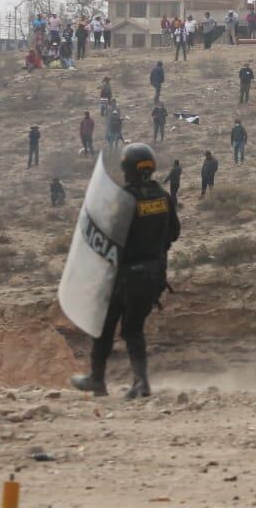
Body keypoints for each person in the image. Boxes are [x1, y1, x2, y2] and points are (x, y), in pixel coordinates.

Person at [69, 144, 180, 399]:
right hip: (152, 277)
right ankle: (141, 383)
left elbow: (107, 237)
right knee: (133, 330)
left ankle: (97, 379)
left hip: (124, 276)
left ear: (128, 169)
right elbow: (174, 233)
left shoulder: (123, 199)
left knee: (105, 326)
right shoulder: (163, 198)